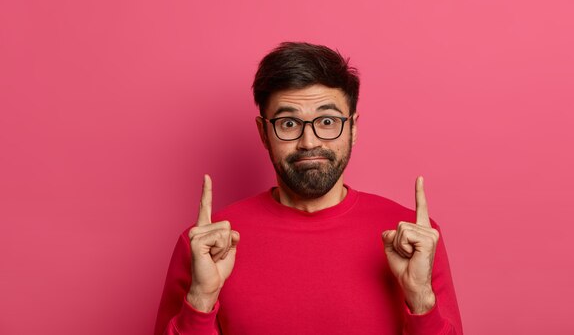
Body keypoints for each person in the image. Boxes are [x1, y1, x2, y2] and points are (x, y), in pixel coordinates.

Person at [154, 42, 463, 335]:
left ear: (353, 128)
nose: (309, 142)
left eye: (327, 121)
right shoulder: (206, 245)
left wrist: (421, 298)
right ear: (264, 133)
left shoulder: (414, 239)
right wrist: (200, 302)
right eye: (289, 124)